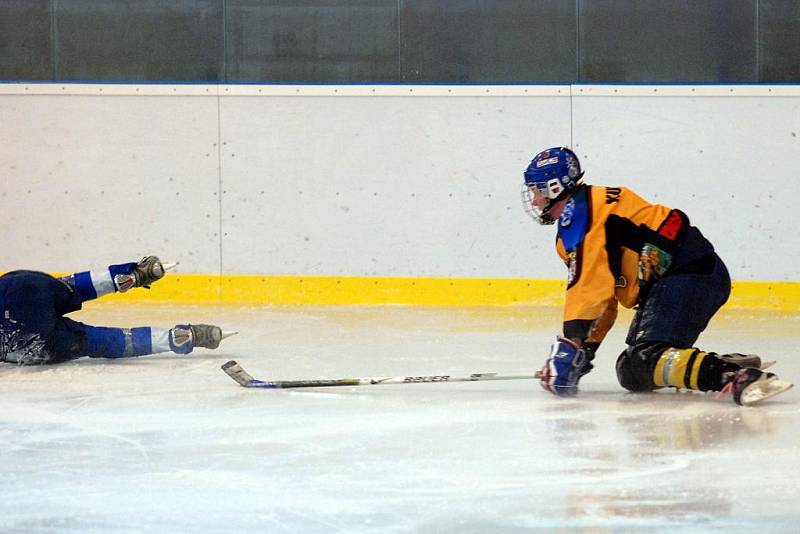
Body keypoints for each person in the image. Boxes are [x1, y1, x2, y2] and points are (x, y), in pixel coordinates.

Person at [521, 146, 792, 406]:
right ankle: (723, 364)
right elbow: (602, 299)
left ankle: (732, 376)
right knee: (632, 370)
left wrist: (571, 345)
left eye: (537, 191)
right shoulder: (585, 209)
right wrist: (584, 351)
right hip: (687, 274)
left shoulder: (582, 218)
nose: (534, 200)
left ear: (555, 188)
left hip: (688, 273)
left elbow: (587, 288)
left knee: (644, 359)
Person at [0, 256, 235, 365]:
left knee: (97, 341)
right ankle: (132, 275)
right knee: (70, 287)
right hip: (22, 290)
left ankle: (181, 338)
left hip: (24, 340)